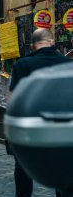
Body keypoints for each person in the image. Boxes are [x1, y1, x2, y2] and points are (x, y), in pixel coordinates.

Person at [9, 28, 70, 197]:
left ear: (33, 45)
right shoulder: (67, 64)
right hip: (62, 126)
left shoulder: (22, 65)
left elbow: (14, 99)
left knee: (23, 166)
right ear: (52, 42)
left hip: (31, 126)